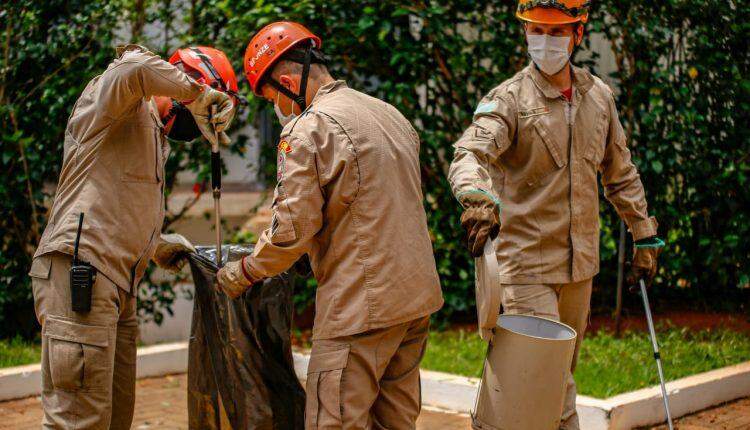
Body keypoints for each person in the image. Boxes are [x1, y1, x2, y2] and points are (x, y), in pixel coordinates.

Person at [216, 21, 444, 429]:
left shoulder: (308, 130)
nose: (277, 108)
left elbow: (291, 230)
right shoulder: (386, 113)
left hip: (360, 308)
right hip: (414, 301)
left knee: (333, 420)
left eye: (272, 98)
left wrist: (247, 269)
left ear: (287, 82)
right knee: (395, 423)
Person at [447, 1, 664, 428]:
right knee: (549, 385)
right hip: (526, 264)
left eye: (556, 32)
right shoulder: (508, 99)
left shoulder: (597, 96)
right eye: (536, 32)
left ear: (578, 35)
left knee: (555, 377)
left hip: (579, 268)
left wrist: (643, 232)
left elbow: (619, 173)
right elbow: (470, 152)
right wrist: (476, 197)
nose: (544, 42)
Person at [29, 44, 238, 429]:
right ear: (179, 85)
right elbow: (134, 67)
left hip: (116, 286)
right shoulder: (116, 101)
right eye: (209, 106)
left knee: (114, 419)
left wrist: (156, 244)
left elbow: (109, 203)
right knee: (79, 421)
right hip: (82, 276)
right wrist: (196, 92)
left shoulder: (154, 138)